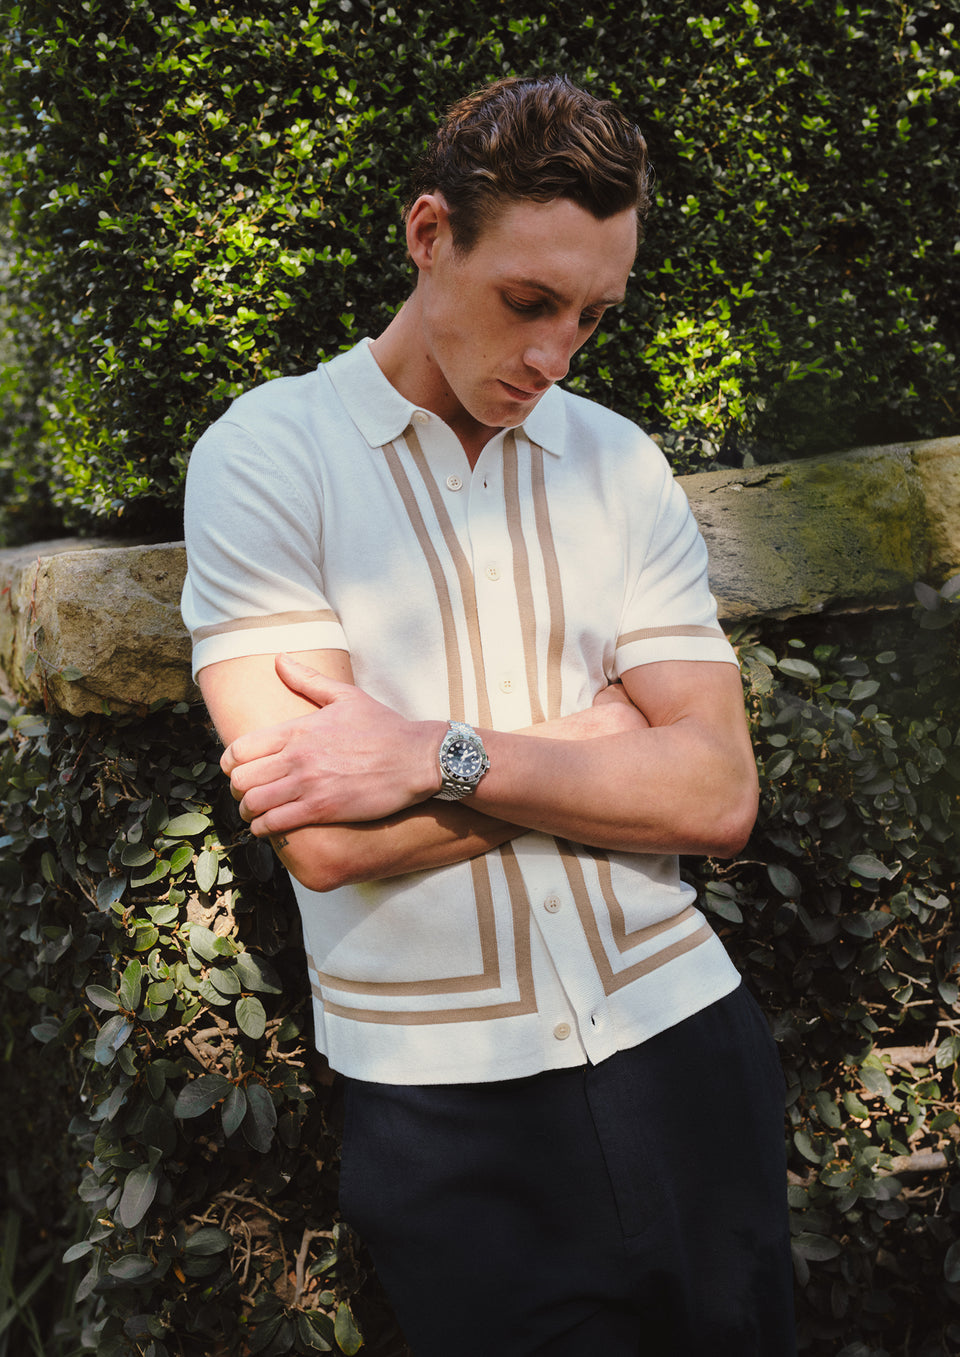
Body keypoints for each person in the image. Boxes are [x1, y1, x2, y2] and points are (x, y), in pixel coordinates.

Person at [181, 74, 795, 1356]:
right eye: (529, 301)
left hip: (688, 1051)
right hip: (449, 1110)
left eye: (590, 316)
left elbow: (718, 794)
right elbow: (327, 841)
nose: (554, 354)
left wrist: (428, 754)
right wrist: (611, 741)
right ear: (427, 235)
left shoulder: (619, 462)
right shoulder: (267, 457)